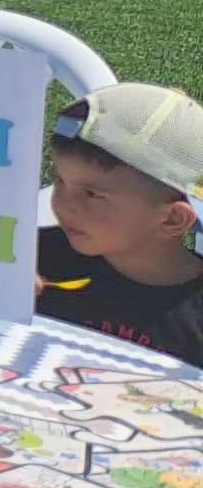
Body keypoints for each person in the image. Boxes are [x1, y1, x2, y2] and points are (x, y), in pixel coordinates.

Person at [37, 83, 203, 367]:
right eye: (60, 181)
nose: (62, 204)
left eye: (92, 195)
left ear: (172, 219)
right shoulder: (32, 258)